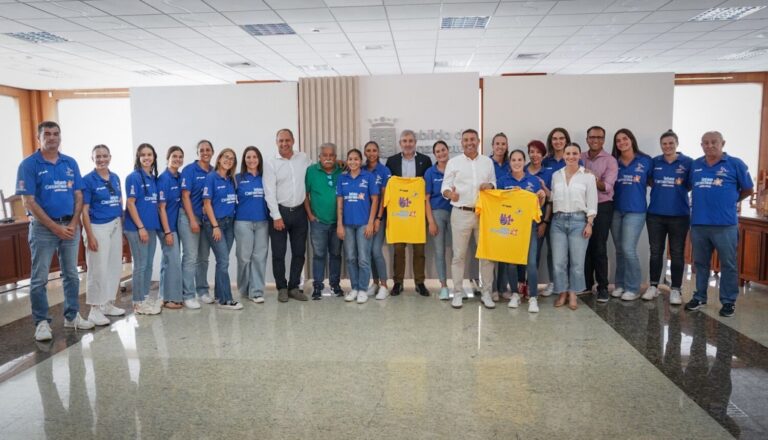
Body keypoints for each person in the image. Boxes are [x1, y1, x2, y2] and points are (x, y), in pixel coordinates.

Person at [17, 121, 94, 341]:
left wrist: (72, 224)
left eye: (56, 134)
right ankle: (41, 322)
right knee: (39, 278)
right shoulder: (29, 164)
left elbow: (79, 195)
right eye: (47, 134)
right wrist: (54, 227)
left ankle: (72, 316)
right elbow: (28, 201)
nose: (52, 137)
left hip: (70, 227)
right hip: (43, 229)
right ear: (38, 137)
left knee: (71, 274)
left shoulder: (70, 163)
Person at [685, 131, 753, 317]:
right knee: (700, 263)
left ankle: (728, 301)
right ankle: (699, 296)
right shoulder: (696, 165)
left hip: (725, 225)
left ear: (722, 143)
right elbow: (688, 186)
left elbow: (748, 189)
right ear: (701, 145)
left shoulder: (735, 164)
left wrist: (730, 200)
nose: (710, 146)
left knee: (728, 264)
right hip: (699, 224)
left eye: (714, 142)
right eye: (705, 143)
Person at [441, 129, 496, 309]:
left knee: (486, 256)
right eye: (466, 140)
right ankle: (457, 293)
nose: (469, 142)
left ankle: (486, 292)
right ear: (462, 142)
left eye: (472, 139)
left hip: (483, 214)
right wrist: (450, 194)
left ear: (478, 141)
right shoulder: (453, 162)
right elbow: (445, 186)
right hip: (460, 213)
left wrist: (490, 185)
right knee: (459, 256)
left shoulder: (487, 162)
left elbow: (494, 184)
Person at [645, 130, 692, 305]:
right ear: (661, 145)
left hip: (679, 216)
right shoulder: (655, 161)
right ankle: (653, 286)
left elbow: (689, 185)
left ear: (677, 143)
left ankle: (676, 290)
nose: (667, 146)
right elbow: (650, 181)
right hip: (655, 215)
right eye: (664, 143)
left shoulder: (688, 162)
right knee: (656, 252)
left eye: (671, 143)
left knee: (678, 253)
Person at [497, 149, 547, 313]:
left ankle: (532, 297)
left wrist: (541, 197)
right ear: (509, 162)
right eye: (514, 160)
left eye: (520, 159)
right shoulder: (503, 181)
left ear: (524, 161)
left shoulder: (533, 180)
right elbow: (497, 204)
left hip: (529, 228)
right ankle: (515, 294)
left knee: (531, 263)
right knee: (511, 264)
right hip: (510, 229)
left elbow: (538, 206)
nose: (517, 162)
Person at [80, 144, 125, 325]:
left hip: (115, 225)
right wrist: (90, 235)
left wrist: (121, 229)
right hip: (97, 227)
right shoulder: (88, 180)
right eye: (98, 156)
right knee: (98, 269)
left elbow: (118, 203)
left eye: (105, 156)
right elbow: (84, 211)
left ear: (110, 157)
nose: (101, 159)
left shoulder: (115, 178)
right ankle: (94, 309)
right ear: (92, 159)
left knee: (114, 266)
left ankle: (107, 303)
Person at [264, 128, 310, 302]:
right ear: (277, 143)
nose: (284, 144)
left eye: (287, 140)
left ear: (293, 141)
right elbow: (269, 191)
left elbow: (318, 167)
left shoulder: (303, 158)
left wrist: (339, 163)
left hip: (299, 212)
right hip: (280, 213)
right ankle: (281, 287)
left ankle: (293, 287)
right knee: (279, 253)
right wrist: (276, 216)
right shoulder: (271, 162)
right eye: (280, 141)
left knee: (299, 252)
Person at [385, 129, 433, 296]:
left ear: (415, 142)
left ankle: (420, 282)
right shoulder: (391, 162)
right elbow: (388, 187)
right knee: (398, 249)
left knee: (419, 249)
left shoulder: (425, 161)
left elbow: (427, 186)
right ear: (400, 143)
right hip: (398, 213)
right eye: (404, 141)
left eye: (410, 141)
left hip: (417, 213)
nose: (407, 144)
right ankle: (398, 282)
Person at [550, 143, 597, 310]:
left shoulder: (588, 177)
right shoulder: (556, 175)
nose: (571, 156)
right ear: (563, 155)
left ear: (579, 155)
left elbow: (592, 201)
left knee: (577, 263)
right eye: (568, 153)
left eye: (574, 153)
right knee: (558, 262)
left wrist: (589, 223)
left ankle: (573, 293)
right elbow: (553, 198)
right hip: (558, 222)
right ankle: (562, 292)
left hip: (579, 222)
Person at [611, 129, 652, 301]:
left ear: (632, 140)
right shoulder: (614, 162)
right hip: (616, 210)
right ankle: (620, 285)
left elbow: (652, 182)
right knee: (619, 250)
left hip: (636, 211)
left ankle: (633, 288)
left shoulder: (646, 161)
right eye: (618, 140)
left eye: (625, 139)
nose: (622, 142)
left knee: (628, 249)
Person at [336, 149, 379, 304]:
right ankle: (354, 288)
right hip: (347, 225)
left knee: (363, 258)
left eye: (356, 159)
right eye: (350, 159)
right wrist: (339, 224)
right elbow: (340, 202)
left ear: (360, 161)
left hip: (363, 225)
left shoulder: (368, 177)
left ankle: (362, 289)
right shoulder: (342, 178)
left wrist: (370, 223)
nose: (353, 162)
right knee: (351, 258)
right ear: (347, 161)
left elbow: (375, 200)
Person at [202, 148, 242, 310]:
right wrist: (215, 226)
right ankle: (226, 300)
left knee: (222, 261)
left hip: (229, 223)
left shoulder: (232, 180)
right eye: (226, 157)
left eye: (232, 159)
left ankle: (219, 295)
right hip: (215, 224)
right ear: (219, 159)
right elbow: (206, 203)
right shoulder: (211, 177)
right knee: (224, 260)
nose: (229, 160)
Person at [581, 126, 618, 302]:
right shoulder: (579, 157)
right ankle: (587, 284)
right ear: (587, 139)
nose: (595, 140)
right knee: (584, 246)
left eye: (599, 137)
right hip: (582, 207)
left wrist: (591, 177)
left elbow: (607, 187)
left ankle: (603, 287)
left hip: (603, 206)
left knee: (599, 247)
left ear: (604, 140)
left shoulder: (610, 160)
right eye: (592, 137)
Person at [124, 143, 161, 315]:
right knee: (140, 265)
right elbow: (130, 204)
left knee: (148, 266)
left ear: (154, 157)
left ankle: (144, 297)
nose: (147, 158)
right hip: (137, 229)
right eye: (143, 155)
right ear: (138, 158)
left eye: (150, 154)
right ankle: (138, 303)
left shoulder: (153, 178)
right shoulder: (134, 177)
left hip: (151, 228)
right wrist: (141, 227)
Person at [304, 143, 343, 300]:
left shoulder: (342, 171)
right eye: (325, 155)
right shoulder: (311, 171)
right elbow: (305, 194)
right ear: (319, 157)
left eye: (331, 155)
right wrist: (310, 215)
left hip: (338, 223)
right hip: (318, 222)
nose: (328, 158)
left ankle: (335, 285)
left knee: (335, 254)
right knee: (319, 255)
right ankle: (318, 287)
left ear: (335, 157)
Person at [179, 140, 214, 308]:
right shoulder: (189, 170)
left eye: (208, 150)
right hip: (189, 218)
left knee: (203, 258)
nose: (205, 152)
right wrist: (192, 219)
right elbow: (185, 196)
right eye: (202, 150)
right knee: (190, 257)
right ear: (198, 152)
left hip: (206, 220)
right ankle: (188, 295)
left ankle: (203, 291)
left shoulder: (214, 171)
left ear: (212, 152)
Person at [235, 146, 270, 303]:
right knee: (243, 257)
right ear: (244, 160)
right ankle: (243, 288)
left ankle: (256, 291)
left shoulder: (266, 177)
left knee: (259, 257)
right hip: (243, 222)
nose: (251, 160)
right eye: (248, 157)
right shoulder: (237, 178)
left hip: (262, 221)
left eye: (254, 157)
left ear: (259, 159)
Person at [541, 127, 571, 296]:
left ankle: (566, 285)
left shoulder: (573, 159)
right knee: (553, 250)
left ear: (566, 140)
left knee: (567, 251)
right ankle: (554, 282)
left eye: (561, 138)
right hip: (549, 212)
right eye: (554, 139)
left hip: (568, 211)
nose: (558, 141)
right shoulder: (546, 162)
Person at [364, 141, 393, 300]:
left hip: (378, 218)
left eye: (374, 150)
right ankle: (374, 283)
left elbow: (383, 197)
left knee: (376, 250)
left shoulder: (384, 170)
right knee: (368, 252)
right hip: (364, 217)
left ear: (378, 152)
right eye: (368, 150)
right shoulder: (360, 169)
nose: (371, 153)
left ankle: (384, 285)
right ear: (364, 153)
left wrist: (378, 218)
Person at [425, 141, 452, 300]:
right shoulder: (430, 172)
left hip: (456, 212)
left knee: (458, 252)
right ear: (434, 155)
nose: (441, 153)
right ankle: (443, 286)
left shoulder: (455, 168)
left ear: (448, 150)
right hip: (437, 213)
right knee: (439, 251)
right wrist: (431, 221)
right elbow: (426, 199)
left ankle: (457, 285)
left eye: (443, 150)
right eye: (437, 151)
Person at [157, 146, 184, 309]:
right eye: (174, 156)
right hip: (167, 227)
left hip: (177, 225)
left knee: (167, 260)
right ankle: (171, 298)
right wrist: (167, 231)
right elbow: (161, 207)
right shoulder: (164, 179)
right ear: (168, 158)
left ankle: (164, 295)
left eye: (180, 157)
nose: (178, 159)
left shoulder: (179, 177)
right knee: (173, 260)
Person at [525, 139, 552, 296]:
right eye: (532, 151)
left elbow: (550, 200)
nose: (534, 155)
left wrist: (544, 222)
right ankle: (521, 285)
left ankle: (531, 288)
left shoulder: (547, 174)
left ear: (543, 155)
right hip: (520, 223)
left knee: (534, 256)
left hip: (538, 221)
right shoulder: (521, 170)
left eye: (538, 152)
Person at [489, 132, 511, 302]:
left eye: (503, 144)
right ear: (492, 145)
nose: (500, 147)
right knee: (492, 253)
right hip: (491, 211)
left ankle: (503, 287)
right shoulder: (486, 163)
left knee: (505, 252)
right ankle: (493, 288)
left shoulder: (513, 163)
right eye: (497, 143)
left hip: (509, 213)